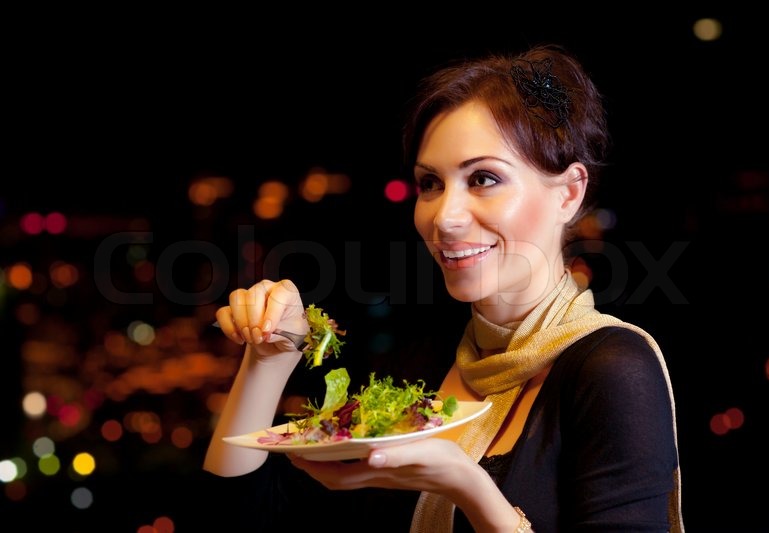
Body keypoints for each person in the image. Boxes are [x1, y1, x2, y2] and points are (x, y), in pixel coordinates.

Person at [202, 43, 684, 533]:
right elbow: (242, 521)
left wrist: (469, 487)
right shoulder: (420, 363)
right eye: (430, 183)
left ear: (568, 192)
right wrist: (269, 359)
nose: (444, 218)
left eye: (484, 178)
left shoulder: (612, 368)